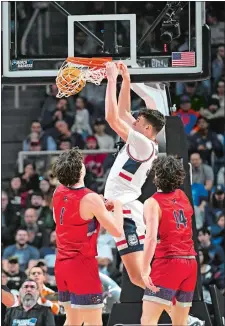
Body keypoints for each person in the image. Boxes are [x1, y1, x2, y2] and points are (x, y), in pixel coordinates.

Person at [104, 62, 203, 326]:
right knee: (137, 277)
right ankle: (180, 315)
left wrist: (111, 80)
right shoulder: (142, 138)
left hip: (124, 208)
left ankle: (177, 314)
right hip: (122, 207)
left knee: (139, 275)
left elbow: (112, 118)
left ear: (147, 128)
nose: (133, 121)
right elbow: (123, 111)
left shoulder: (142, 142)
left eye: (138, 121)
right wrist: (126, 80)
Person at [52, 147, 123, 326]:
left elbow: (58, 219)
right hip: (81, 265)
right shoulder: (90, 199)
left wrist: (96, 208)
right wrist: (118, 206)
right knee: (94, 323)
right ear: (81, 170)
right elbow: (116, 231)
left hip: (62, 264)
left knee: (73, 321)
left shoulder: (58, 191)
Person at [141, 156, 198, 326]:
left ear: (157, 176)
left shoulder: (152, 202)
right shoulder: (183, 196)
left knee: (148, 320)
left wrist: (144, 270)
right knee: (179, 323)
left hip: (169, 262)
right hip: (190, 263)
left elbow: (151, 238)